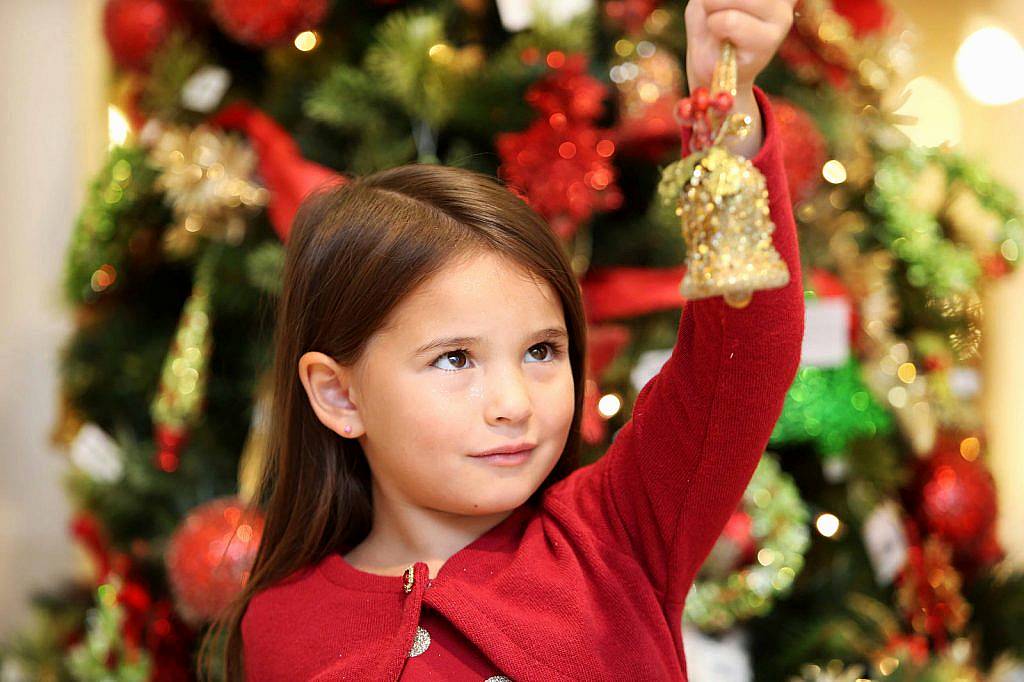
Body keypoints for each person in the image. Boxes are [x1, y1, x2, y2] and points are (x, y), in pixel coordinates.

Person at [202, 0, 802, 678]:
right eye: (455, 358)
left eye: (542, 351)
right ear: (339, 395)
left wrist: (730, 125)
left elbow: (742, 356)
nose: (514, 402)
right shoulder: (282, 624)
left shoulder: (618, 534)